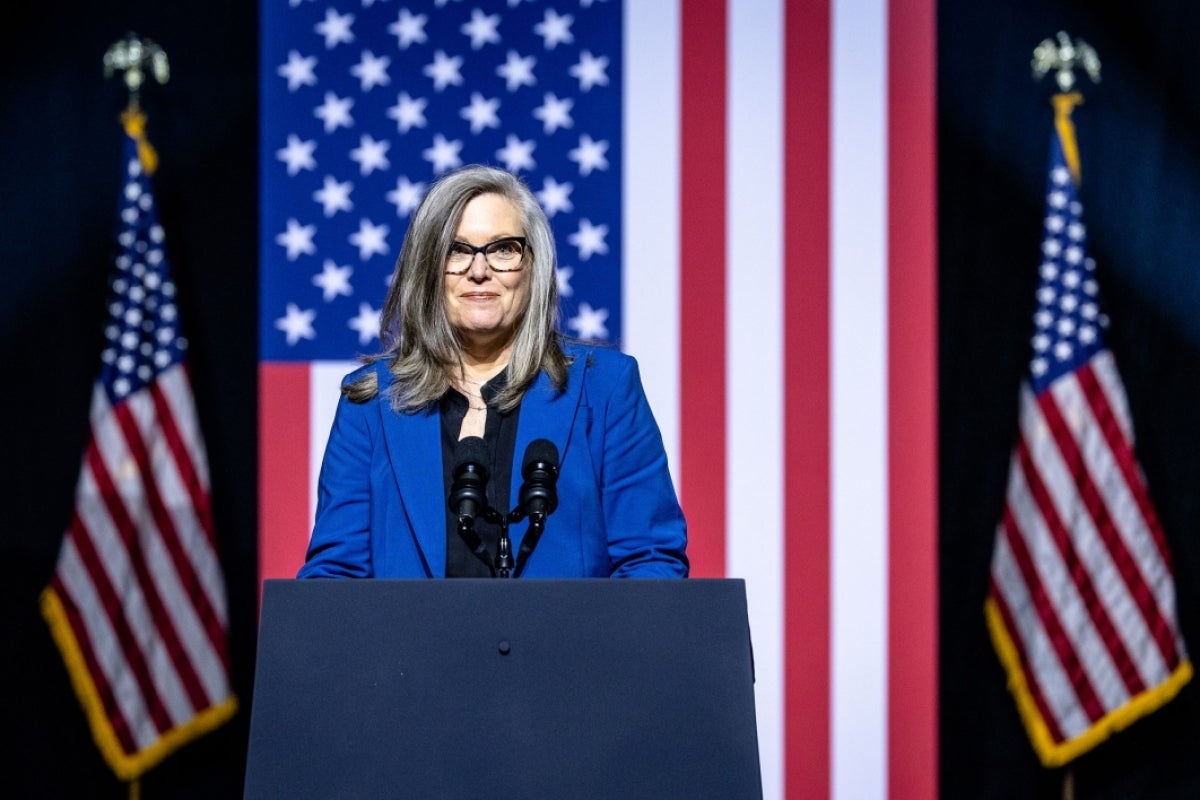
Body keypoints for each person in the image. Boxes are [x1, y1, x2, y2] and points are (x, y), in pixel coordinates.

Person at [298, 164, 688, 579]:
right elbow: (334, 581)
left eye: (503, 249)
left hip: (571, 646)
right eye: (457, 250)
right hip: (413, 645)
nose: (479, 270)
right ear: (426, 269)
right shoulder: (369, 402)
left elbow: (651, 562)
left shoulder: (606, 387)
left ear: (533, 268)